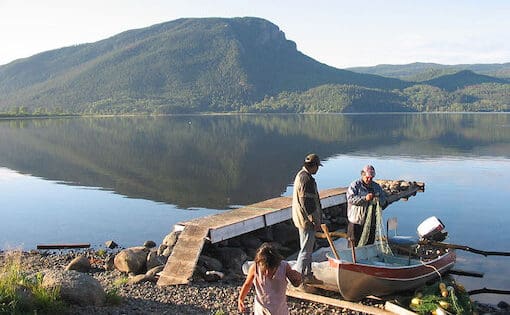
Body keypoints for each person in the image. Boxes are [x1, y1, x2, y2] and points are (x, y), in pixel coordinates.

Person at [238, 243, 301, 315]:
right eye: (264, 270)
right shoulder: (255, 268)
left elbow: (296, 283)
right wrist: (241, 299)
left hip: (279, 309)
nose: (267, 273)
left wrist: (297, 278)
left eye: (271, 270)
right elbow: (247, 284)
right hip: (261, 309)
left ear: (277, 265)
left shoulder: (284, 266)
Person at [291, 153, 323, 285]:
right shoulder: (307, 179)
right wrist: (314, 220)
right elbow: (307, 202)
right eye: (317, 166)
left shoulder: (301, 175)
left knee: (308, 249)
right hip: (306, 221)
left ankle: (308, 275)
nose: (318, 169)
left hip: (301, 219)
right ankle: (297, 279)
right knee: (305, 250)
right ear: (313, 166)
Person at [346, 164, 388, 247]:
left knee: (369, 245)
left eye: (371, 178)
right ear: (363, 175)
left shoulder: (376, 187)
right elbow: (351, 199)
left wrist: (379, 199)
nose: (369, 179)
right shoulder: (355, 185)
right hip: (356, 222)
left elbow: (384, 201)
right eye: (367, 177)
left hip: (371, 223)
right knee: (353, 245)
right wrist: (365, 198)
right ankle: (352, 260)